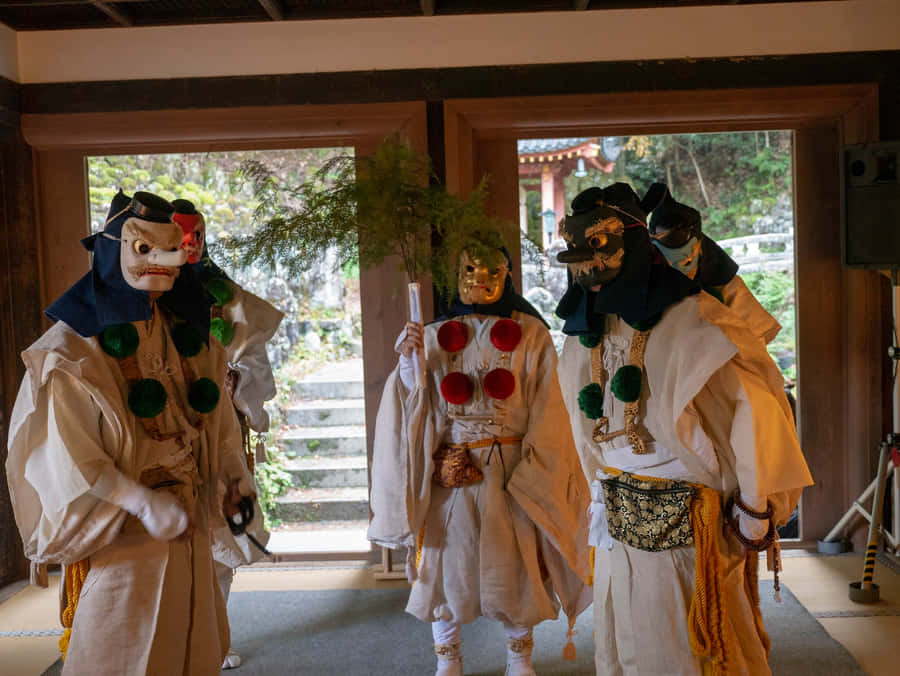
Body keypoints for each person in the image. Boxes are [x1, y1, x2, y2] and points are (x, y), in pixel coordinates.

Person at [554, 184, 813, 676]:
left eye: (598, 254)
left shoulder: (696, 317)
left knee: (694, 643)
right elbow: (578, 421)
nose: (587, 270)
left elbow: (754, 408)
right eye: (579, 260)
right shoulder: (583, 332)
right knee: (625, 639)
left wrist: (757, 504)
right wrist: (594, 492)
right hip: (616, 517)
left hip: (690, 519)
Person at [6, 190, 254, 675]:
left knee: (194, 646)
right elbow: (70, 455)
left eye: (170, 253)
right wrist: (140, 501)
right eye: (145, 251)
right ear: (114, 247)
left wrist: (229, 477)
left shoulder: (189, 335)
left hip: (188, 522)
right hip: (125, 533)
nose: (159, 268)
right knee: (120, 651)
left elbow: (216, 423)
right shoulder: (74, 351)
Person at [368, 232, 591, 676]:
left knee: (518, 562)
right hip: (452, 467)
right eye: (470, 270)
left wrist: (536, 469)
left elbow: (551, 406)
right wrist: (411, 367)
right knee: (446, 559)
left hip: (512, 467)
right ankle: (447, 657)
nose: (480, 279)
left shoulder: (531, 335)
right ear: (456, 276)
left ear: (507, 274)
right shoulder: (431, 336)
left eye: (491, 270)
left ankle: (518, 655)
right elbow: (417, 405)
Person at [173, 198, 281, 670]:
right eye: (179, 236)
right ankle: (175, 637)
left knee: (222, 536)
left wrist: (236, 376)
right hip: (165, 432)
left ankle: (217, 635)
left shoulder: (224, 295)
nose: (189, 245)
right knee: (173, 539)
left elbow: (255, 363)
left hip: (220, 428)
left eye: (197, 234)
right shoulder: (142, 293)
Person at [642, 182, 781, 344]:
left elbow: (758, 339)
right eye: (656, 239)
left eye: (674, 237)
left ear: (696, 242)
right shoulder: (646, 281)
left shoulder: (726, 284)